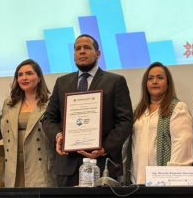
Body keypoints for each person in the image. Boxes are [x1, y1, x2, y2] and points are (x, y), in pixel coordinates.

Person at [42, 34, 133, 186]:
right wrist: (58, 136)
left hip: (103, 164)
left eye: (87, 48)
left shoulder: (115, 81)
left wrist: (105, 147)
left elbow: (125, 120)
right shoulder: (62, 82)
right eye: (78, 48)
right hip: (67, 165)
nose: (82, 51)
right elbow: (48, 118)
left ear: (98, 53)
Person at [129, 62, 193, 184]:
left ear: (168, 83)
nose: (154, 81)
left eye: (160, 78)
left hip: (164, 182)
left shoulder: (177, 108)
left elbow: (182, 144)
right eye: (150, 78)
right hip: (137, 181)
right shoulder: (138, 111)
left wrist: (171, 179)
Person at [1, 59, 56, 188]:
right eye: (20, 75)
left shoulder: (51, 102)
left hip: (40, 165)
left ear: (39, 78)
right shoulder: (9, 103)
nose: (24, 78)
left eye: (29, 73)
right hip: (14, 166)